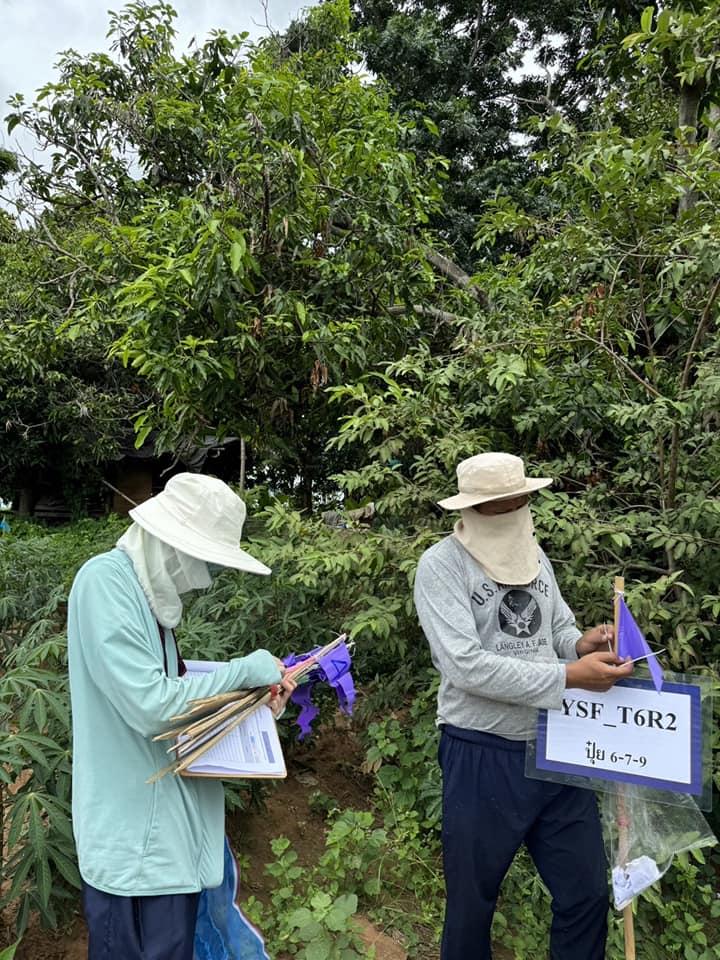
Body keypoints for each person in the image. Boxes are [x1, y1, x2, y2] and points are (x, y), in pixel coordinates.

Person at [413, 452, 634, 960]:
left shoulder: (535, 556)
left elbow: (556, 629)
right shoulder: (441, 567)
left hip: (555, 747)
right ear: (473, 508)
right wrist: (568, 675)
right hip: (480, 752)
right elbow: (465, 666)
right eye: (502, 505)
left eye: (521, 501)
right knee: (472, 905)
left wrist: (582, 645)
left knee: (586, 893)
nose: (515, 512)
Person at [67, 472, 295, 960]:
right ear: (170, 543)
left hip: (167, 844)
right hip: (134, 854)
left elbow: (179, 697)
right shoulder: (105, 584)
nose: (205, 576)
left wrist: (252, 702)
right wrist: (239, 672)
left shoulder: (149, 602)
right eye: (202, 558)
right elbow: (153, 707)